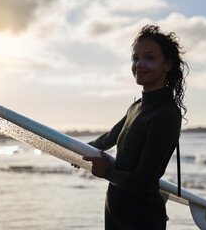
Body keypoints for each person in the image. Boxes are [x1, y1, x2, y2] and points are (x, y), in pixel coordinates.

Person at [78, 25, 188, 230]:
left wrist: (107, 172)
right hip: (115, 212)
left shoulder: (166, 114)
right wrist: (79, 151)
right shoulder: (136, 107)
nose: (140, 64)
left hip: (142, 218)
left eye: (149, 58)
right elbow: (109, 138)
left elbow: (143, 181)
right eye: (135, 58)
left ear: (167, 65)